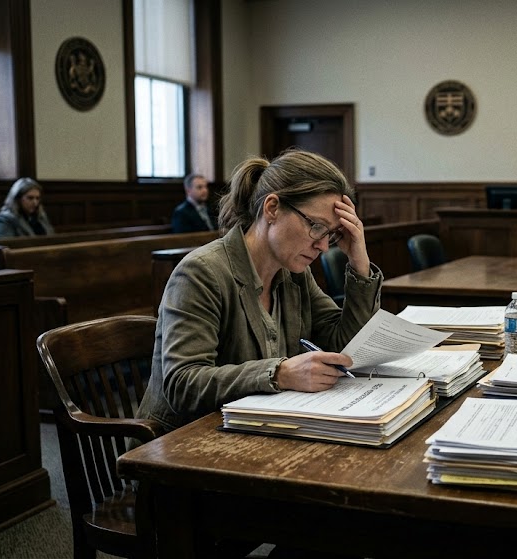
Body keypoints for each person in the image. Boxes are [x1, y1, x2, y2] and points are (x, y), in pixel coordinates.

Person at [137, 149, 383, 436]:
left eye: (331, 234)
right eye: (316, 226)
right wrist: (279, 373)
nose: (323, 246)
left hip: (254, 433)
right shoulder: (201, 272)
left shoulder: (295, 274)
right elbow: (183, 384)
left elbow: (345, 347)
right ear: (272, 208)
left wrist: (359, 263)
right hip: (184, 443)